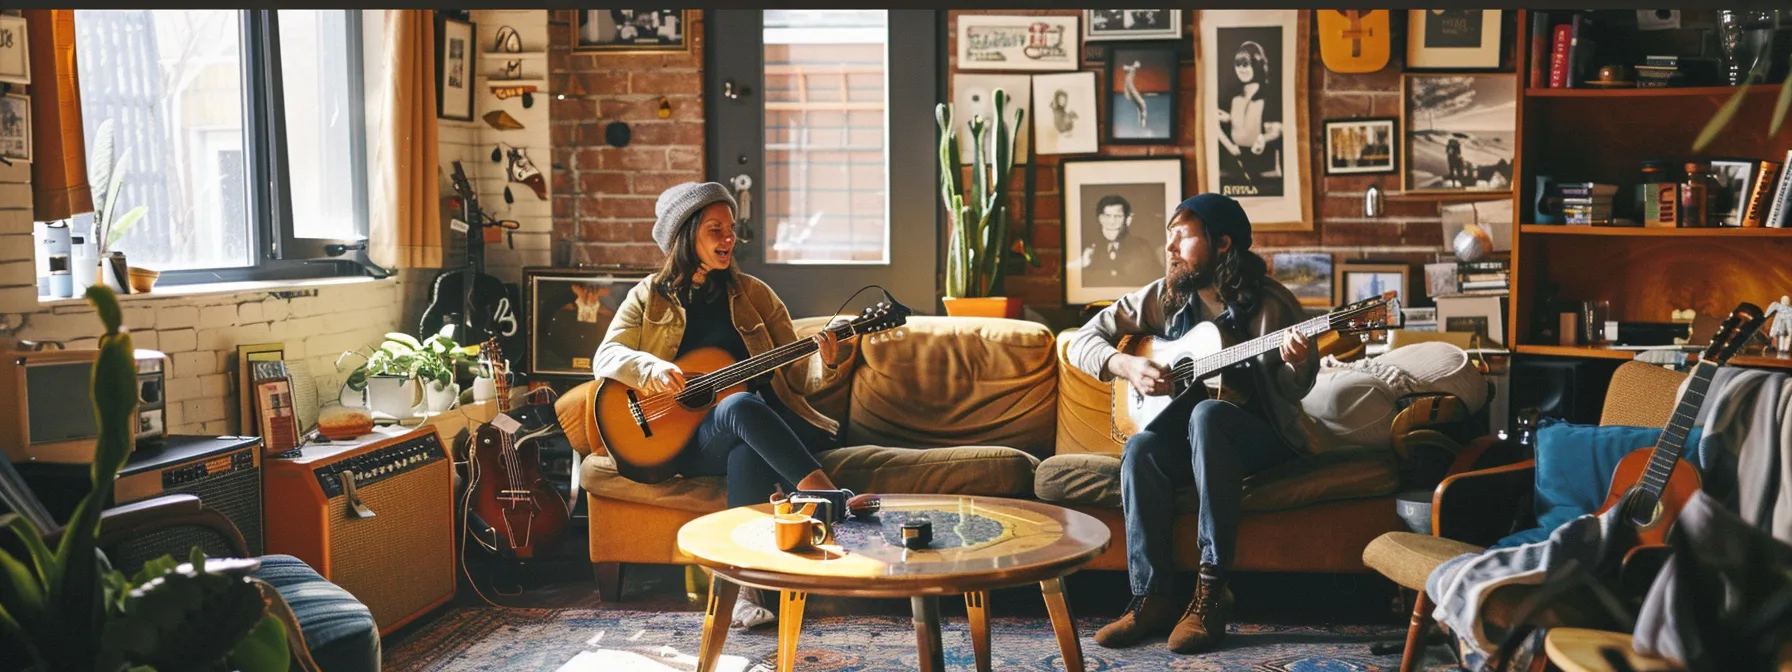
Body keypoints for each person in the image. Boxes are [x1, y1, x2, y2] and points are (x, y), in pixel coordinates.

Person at [591, 181, 854, 628]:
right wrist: (651, 370)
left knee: (743, 426)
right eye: (715, 229)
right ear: (686, 235)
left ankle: (744, 591)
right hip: (682, 442)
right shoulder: (648, 296)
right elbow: (606, 357)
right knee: (735, 407)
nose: (728, 238)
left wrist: (827, 363)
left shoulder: (753, 294)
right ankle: (829, 499)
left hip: (761, 427)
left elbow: (795, 378)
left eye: (731, 228)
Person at [1067, 193, 1319, 654]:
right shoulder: (1165, 297)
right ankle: (1153, 597)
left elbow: (1292, 392)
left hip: (1261, 439)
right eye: (1169, 237)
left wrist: (1298, 363)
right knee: (1142, 449)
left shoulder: (1272, 304)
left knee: (1208, 414)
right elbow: (1080, 341)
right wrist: (1126, 366)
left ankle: (1210, 594)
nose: (1170, 248)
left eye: (1182, 236)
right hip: (1195, 444)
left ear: (1222, 243)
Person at [1216, 41, 1283, 189]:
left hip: (1264, 167)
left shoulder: (1269, 96)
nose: (1241, 69)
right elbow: (1214, 125)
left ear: (1256, 64)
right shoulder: (1231, 97)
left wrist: (1264, 139)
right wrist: (1229, 145)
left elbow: (1278, 129)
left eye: (1245, 63)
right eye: (1237, 64)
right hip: (1234, 165)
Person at [1080, 194, 1163, 287]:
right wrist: (1084, 266)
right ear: (1099, 218)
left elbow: (1157, 283)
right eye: (1107, 216)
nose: (1111, 222)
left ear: (1128, 219)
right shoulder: (1086, 248)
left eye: (1118, 216)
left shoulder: (1142, 247)